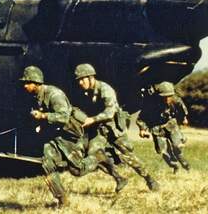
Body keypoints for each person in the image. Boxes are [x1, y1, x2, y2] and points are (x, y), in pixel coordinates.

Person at [19, 65, 128, 206]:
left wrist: (43, 116)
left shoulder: (54, 94)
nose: (25, 86)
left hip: (68, 136)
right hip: (54, 136)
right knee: (47, 163)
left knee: (77, 170)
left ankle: (98, 157)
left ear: (36, 82)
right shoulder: (35, 96)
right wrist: (40, 124)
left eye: (27, 82)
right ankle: (62, 200)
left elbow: (63, 117)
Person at [73, 63, 161, 191]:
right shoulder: (86, 93)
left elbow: (110, 112)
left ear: (91, 77)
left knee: (128, 156)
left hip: (114, 128)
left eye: (82, 79)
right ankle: (119, 178)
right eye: (79, 80)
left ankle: (149, 179)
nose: (80, 83)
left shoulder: (105, 89)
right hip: (100, 130)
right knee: (94, 154)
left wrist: (93, 119)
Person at [136, 81, 190, 173]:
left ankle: (185, 165)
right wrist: (142, 129)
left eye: (169, 96)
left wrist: (184, 118)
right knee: (163, 152)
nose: (167, 99)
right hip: (157, 128)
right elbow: (142, 118)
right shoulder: (151, 104)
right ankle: (174, 165)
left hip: (171, 125)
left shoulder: (176, 100)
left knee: (177, 146)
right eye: (164, 97)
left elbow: (182, 108)